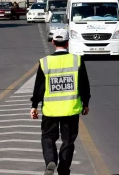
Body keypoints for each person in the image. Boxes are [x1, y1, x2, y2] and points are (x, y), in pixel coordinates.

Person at [30, 29, 91, 175]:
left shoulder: (45, 62)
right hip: (71, 109)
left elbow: (39, 87)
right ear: (68, 43)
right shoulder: (77, 60)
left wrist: (34, 106)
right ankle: (63, 168)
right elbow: (84, 85)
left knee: (48, 137)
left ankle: (51, 160)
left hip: (51, 110)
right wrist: (86, 103)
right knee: (68, 141)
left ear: (53, 42)